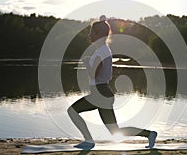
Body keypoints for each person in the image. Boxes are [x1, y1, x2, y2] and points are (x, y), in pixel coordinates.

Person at [67, 16, 157, 150]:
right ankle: (149, 134)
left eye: (92, 32)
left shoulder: (101, 52)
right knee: (115, 131)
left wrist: (86, 63)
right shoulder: (103, 51)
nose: (89, 35)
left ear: (99, 34)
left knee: (72, 110)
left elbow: (93, 74)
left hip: (100, 93)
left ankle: (88, 140)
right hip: (103, 93)